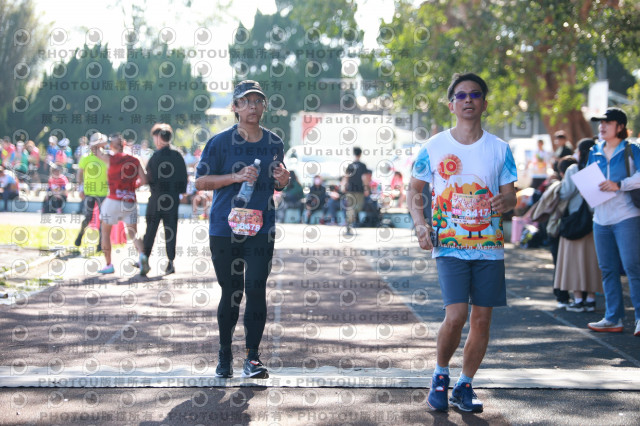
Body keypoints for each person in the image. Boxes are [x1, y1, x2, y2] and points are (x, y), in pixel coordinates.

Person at [407, 72, 517, 413]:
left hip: (489, 246)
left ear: (484, 103)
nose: (468, 100)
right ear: (451, 104)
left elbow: (511, 196)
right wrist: (420, 225)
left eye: (475, 94)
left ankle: (465, 385)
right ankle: (440, 376)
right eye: (461, 95)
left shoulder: (500, 149)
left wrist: (504, 202)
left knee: (481, 320)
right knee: (455, 316)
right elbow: (414, 190)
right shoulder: (434, 147)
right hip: (449, 244)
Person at [195, 80, 290, 379]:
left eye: (258, 101)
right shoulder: (219, 142)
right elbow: (201, 182)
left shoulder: (274, 142)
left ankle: (252, 357)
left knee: (256, 288)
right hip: (225, 228)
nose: (253, 106)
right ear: (235, 107)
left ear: (264, 106)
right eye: (246, 101)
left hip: (261, 228)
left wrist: (284, 180)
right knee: (232, 291)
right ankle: (225, 354)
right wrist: (235, 177)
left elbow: (278, 181)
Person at [586, 108, 640, 336]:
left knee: (633, 267)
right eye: (600, 123)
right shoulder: (594, 151)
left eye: (607, 122)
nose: (602, 126)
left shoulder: (631, 149)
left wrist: (620, 185)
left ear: (620, 127)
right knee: (607, 270)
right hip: (600, 218)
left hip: (626, 216)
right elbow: (588, 177)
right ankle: (612, 318)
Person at [554, 143, 602, 312]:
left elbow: (565, 193)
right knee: (591, 261)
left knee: (574, 262)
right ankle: (591, 299)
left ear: (580, 152)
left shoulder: (573, 169)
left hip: (574, 220)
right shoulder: (597, 167)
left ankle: (578, 299)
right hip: (592, 219)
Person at [91, 133, 147, 275]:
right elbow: (144, 180)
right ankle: (142, 256)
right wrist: (133, 187)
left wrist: (102, 142)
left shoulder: (110, 158)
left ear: (111, 145)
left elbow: (94, 149)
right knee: (133, 233)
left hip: (113, 199)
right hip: (130, 200)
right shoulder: (135, 160)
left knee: (105, 233)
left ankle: (109, 264)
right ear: (124, 144)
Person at [140, 123, 188, 276]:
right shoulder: (178, 155)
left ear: (159, 138)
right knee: (171, 230)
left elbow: (149, 177)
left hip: (156, 197)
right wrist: (181, 193)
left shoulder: (155, 156)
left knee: (150, 230)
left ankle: (144, 259)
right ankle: (171, 262)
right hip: (172, 199)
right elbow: (183, 177)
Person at [74, 133, 109, 253]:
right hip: (89, 192)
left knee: (103, 219)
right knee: (88, 217)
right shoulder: (86, 157)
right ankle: (80, 235)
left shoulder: (106, 158)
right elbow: (80, 173)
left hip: (103, 192)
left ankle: (100, 244)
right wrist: (80, 188)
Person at [341, 146, 369, 235]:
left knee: (351, 207)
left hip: (350, 190)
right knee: (358, 207)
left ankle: (349, 223)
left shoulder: (350, 165)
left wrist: (343, 187)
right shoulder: (362, 165)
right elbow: (364, 178)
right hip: (359, 190)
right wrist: (366, 188)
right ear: (360, 154)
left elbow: (346, 177)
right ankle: (351, 222)